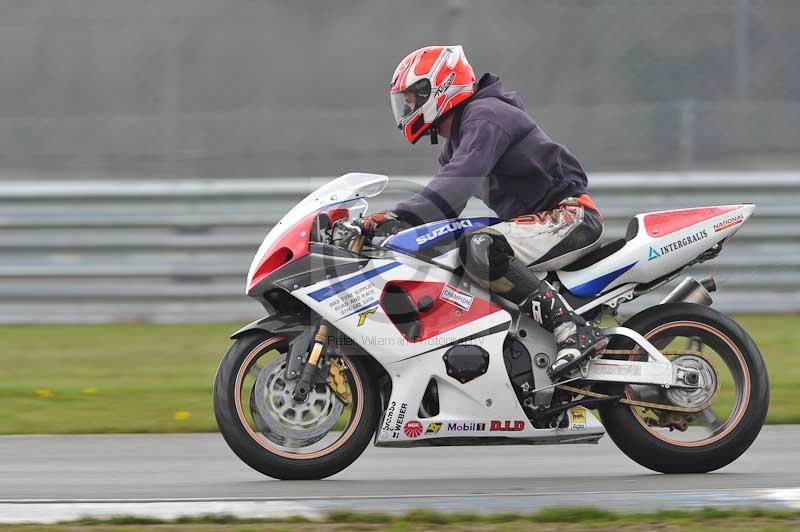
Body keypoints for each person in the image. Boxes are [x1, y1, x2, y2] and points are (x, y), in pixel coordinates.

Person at [358, 45, 607, 379]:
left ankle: (572, 329)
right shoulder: (457, 143)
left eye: (412, 98)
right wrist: (394, 236)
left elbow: (457, 183)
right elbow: (445, 204)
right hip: (535, 224)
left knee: (480, 248)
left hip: (569, 216)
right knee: (450, 258)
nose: (408, 108)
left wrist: (399, 216)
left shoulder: (486, 115)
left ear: (440, 87)